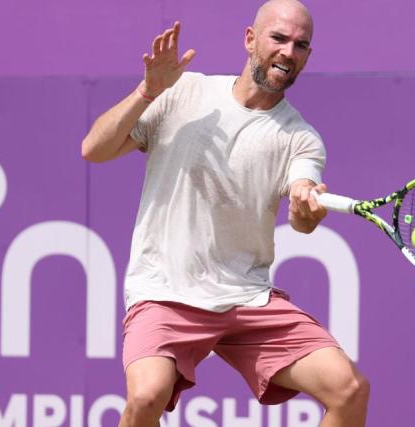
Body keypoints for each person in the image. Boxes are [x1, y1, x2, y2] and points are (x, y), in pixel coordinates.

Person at [81, 1, 370, 426]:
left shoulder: (302, 139)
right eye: (279, 38)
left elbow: (302, 212)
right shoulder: (184, 93)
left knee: (349, 389)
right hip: (166, 290)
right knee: (146, 397)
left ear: (308, 56)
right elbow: (94, 149)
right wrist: (149, 90)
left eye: (301, 44)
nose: (289, 52)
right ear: (250, 40)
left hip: (245, 296)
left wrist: (306, 203)